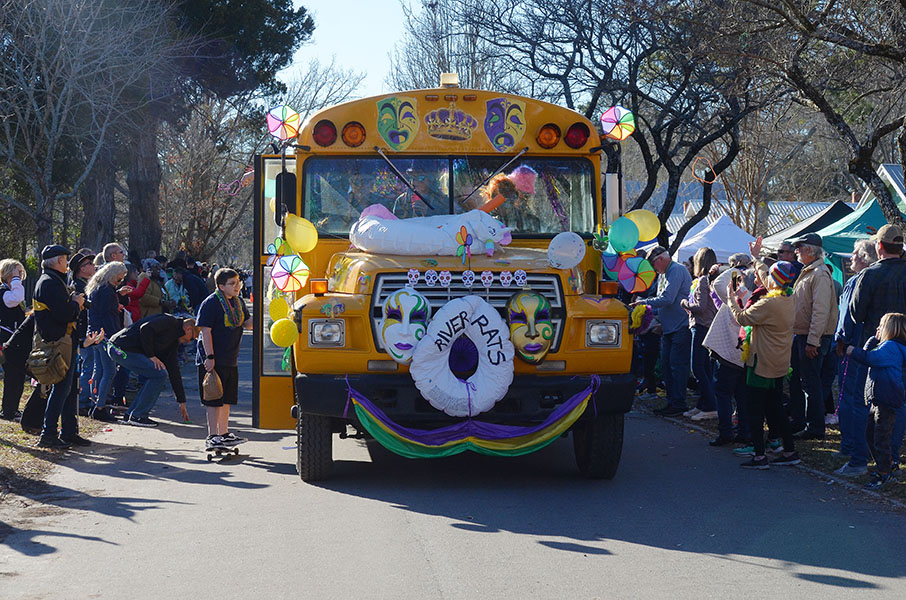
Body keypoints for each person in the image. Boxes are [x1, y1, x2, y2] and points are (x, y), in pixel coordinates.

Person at [727, 261, 801, 469]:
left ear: (774, 280)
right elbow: (770, 279)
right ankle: (789, 451)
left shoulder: (769, 304)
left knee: (755, 409)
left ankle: (760, 456)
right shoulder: (790, 296)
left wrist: (731, 298)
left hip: (761, 363)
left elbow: (741, 318)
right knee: (776, 407)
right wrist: (757, 258)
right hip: (779, 362)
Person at [849, 224, 906, 471]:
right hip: (902, 350)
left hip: (878, 350)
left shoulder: (870, 275)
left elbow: (856, 314)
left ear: (879, 246)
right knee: (899, 404)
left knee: (872, 405)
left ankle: (879, 461)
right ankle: (890, 458)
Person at [34, 245, 89, 448]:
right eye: (65, 259)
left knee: (70, 389)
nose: (67, 263)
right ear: (59, 260)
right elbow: (64, 313)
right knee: (61, 389)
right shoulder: (49, 282)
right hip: (58, 341)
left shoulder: (52, 280)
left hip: (65, 340)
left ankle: (69, 431)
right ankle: (48, 434)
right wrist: (76, 303)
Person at [833, 239, 878, 476]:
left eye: (853, 254)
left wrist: (841, 340)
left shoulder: (857, 281)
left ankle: (852, 448)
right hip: (874, 347)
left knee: (850, 398)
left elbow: (847, 317)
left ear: (863, 257)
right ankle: (862, 448)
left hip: (854, 347)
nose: (850, 258)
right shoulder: (881, 278)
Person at [787, 232, 838, 440]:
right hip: (804, 335)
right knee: (801, 381)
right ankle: (801, 421)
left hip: (811, 337)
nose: (796, 251)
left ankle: (815, 426)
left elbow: (820, 310)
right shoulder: (811, 271)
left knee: (810, 383)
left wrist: (813, 341)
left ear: (809, 250)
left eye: (799, 248)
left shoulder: (819, 274)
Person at [630, 246, 692, 417]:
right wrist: (650, 315)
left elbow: (667, 298)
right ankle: (672, 402)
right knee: (666, 366)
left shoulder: (676, 270)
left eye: (653, 264)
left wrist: (643, 304)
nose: (653, 269)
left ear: (661, 259)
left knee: (676, 366)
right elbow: (663, 302)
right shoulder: (664, 273)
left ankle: (679, 403)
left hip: (680, 326)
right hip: (669, 327)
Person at [846, 312, 906, 490]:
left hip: (886, 399)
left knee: (881, 437)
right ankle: (888, 464)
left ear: (890, 328)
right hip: (878, 399)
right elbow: (869, 355)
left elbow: (870, 358)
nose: (878, 328)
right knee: (870, 433)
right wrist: (872, 341)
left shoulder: (891, 347)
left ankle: (883, 472)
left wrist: (852, 350)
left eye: (881, 326)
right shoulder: (886, 346)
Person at [196, 268, 252, 449]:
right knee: (214, 397)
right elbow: (205, 331)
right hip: (213, 358)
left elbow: (247, 323)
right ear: (221, 286)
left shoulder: (238, 302)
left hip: (231, 357)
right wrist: (210, 356)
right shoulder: (211, 303)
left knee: (227, 399)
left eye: (238, 282)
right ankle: (212, 435)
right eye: (232, 283)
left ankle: (224, 433)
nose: (237, 286)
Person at [106, 314, 195, 426]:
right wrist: (151, 355)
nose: (189, 342)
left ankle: (131, 415)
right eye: (192, 338)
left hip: (122, 348)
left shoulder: (172, 343)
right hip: (120, 347)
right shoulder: (170, 321)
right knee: (159, 375)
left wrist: (181, 401)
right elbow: (146, 328)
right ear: (189, 329)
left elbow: (174, 371)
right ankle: (138, 415)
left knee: (157, 374)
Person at [703, 262, 751, 445]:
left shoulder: (738, 294)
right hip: (744, 353)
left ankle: (726, 432)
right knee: (742, 395)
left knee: (722, 393)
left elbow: (718, 283)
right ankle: (744, 432)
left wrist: (736, 269)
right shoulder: (758, 299)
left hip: (727, 352)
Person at [85, 261, 128, 422]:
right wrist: (115, 336)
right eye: (119, 278)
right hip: (105, 334)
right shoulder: (107, 291)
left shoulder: (98, 288)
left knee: (99, 370)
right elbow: (106, 316)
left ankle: (95, 403)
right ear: (112, 275)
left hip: (95, 333)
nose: (120, 281)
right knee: (109, 371)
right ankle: (100, 406)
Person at [680, 247, 718, 421]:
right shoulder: (707, 279)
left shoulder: (703, 280)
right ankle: (703, 404)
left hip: (702, 326)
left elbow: (701, 307)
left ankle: (711, 406)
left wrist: (685, 303)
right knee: (705, 368)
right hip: (704, 325)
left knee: (697, 368)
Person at [67, 251, 98, 416]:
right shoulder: (78, 286)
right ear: (81, 269)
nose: (94, 266)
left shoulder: (87, 284)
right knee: (87, 366)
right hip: (82, 332)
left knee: (89, 366)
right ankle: (82, 401)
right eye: (90, 264)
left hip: (88, 331)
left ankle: (86, 399)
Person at [0, 259, 27, 420]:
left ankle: (12, 408)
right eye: (17, 272)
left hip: (14, 339)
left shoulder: (9, 291)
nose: (20, 275)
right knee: (12, 375)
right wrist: (15, 280)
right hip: (5, 338)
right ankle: (8, 410)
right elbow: (16, 298)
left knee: (18, 375)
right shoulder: (4, 291)